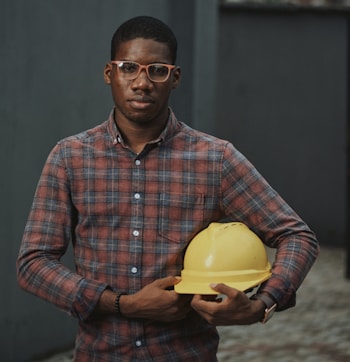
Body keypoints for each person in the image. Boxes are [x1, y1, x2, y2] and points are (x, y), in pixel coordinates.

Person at [17, 15, 319, 361]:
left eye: (156, 70)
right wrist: (122, 304)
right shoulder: (70, 158)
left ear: (174, 78)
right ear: (109, 74)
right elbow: (33, 263)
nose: (142, 82)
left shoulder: (215, 159)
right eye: (128, 67)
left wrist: (262, 304)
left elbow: (297, 235)